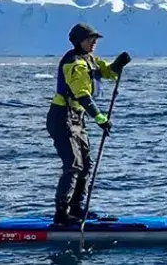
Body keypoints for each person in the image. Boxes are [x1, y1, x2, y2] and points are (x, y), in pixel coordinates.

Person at [47, 22, 130, 226]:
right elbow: (82, 95)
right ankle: (61, 214)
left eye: (95, 40)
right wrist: (100, 118)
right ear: (79, 42)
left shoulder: (90, 59)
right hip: (62, 117)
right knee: (73, 165)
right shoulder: (75, 64)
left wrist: (118, 65)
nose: (94, 43)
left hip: (77, 118)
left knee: (86, 165)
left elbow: (108, 72)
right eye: (90, 39)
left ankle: (76, 208)